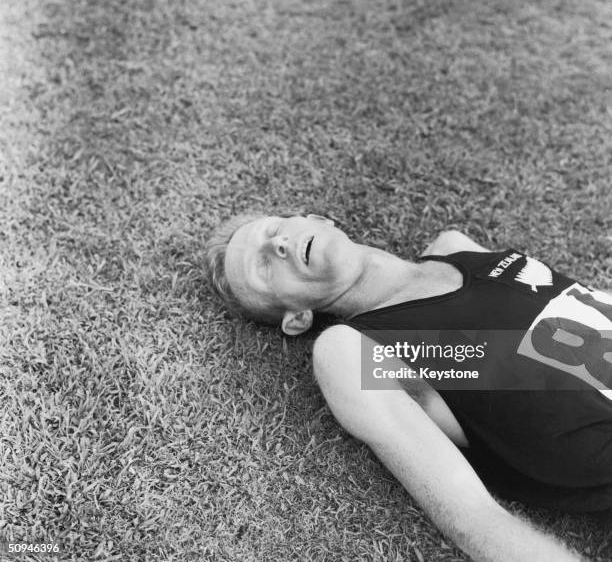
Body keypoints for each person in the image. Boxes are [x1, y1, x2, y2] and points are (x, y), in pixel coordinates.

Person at [206, 212, 612, 561]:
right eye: (263, 267)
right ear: (297, 318)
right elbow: (471, 514)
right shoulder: (357, 350)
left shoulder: (456, 247)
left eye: (274, 228)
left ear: (318, 220)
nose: (278, 242)